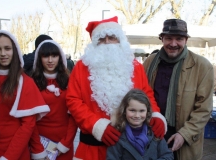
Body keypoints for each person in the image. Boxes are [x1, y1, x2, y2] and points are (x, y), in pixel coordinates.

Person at [66, 16, 167, 160]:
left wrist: (155, 115)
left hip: (129, 149)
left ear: (120, 40)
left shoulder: (135, 67)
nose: (107, 42)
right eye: (101, 39)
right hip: (93, 149)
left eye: (112, 37)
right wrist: (97, 125)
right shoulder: (82, 67)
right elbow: (73, 101)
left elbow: (146, 95)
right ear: (94, 43)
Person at [143, 19, 214, 160]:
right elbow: (140, 95)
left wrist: (184, 134)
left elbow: (204, 109)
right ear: (162, 39)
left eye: (179, 39)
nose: (173, 44)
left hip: (182, 138)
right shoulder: (150, 62)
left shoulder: (202, 66)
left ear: (186, 40)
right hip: (151, 134)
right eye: (168, 38)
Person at [0, 30, 50, 160]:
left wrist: (9, 157)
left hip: (16, 153)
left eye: (7, 48)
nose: (3, 53)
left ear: (14, 51)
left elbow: (28, 125)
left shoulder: (26, 82)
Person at [30, 40, 78, 160]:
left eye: (54, 56)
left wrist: (65, 143)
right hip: (38, 141)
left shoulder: (70, 81)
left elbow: (74, 117)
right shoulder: (31, 83)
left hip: (64, 142)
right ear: (39, 58)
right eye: (46, 56)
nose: (50, 60)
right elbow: (29, 119)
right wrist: (38, 147)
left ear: (60, 57)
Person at [107, 89, 173, 160]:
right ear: (124, 110)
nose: (137, 115)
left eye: (141, 111)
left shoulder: (154, 132)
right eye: (132, 110)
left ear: (147, 111)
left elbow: (168, 156)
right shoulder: (117, 135)